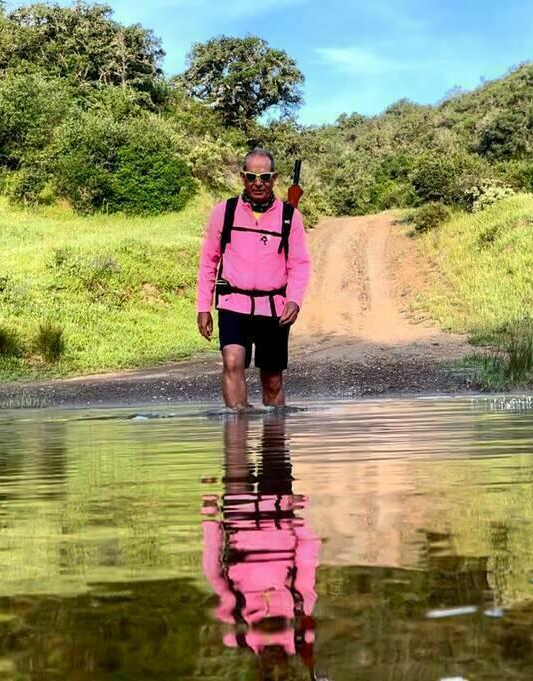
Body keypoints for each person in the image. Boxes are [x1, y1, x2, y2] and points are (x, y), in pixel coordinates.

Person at [201, 414, 321, 680]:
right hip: (279, 513)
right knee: (274, 444)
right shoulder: (300, 625)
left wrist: (209, 516)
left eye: (269, 674)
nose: (274, 667)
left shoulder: (238, 628)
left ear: (260, 674)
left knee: (236, 447)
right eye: (282, 675)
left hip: (240, 515)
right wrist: (298, 518)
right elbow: (307, 560)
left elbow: (213, 568)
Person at [196, 149, 312, 410]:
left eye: (265, 177)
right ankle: (237, 439)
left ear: (274, 178)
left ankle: (274, 446)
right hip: (232, 304)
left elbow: (300, 264)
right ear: (242, 177)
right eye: (251, 177)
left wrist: (294, 299)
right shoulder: (223, 213)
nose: (258, 183)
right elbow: (208, 262)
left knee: (272, 379)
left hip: (274, 308)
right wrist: (203, 307)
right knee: (233, 361)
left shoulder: (290, 217)